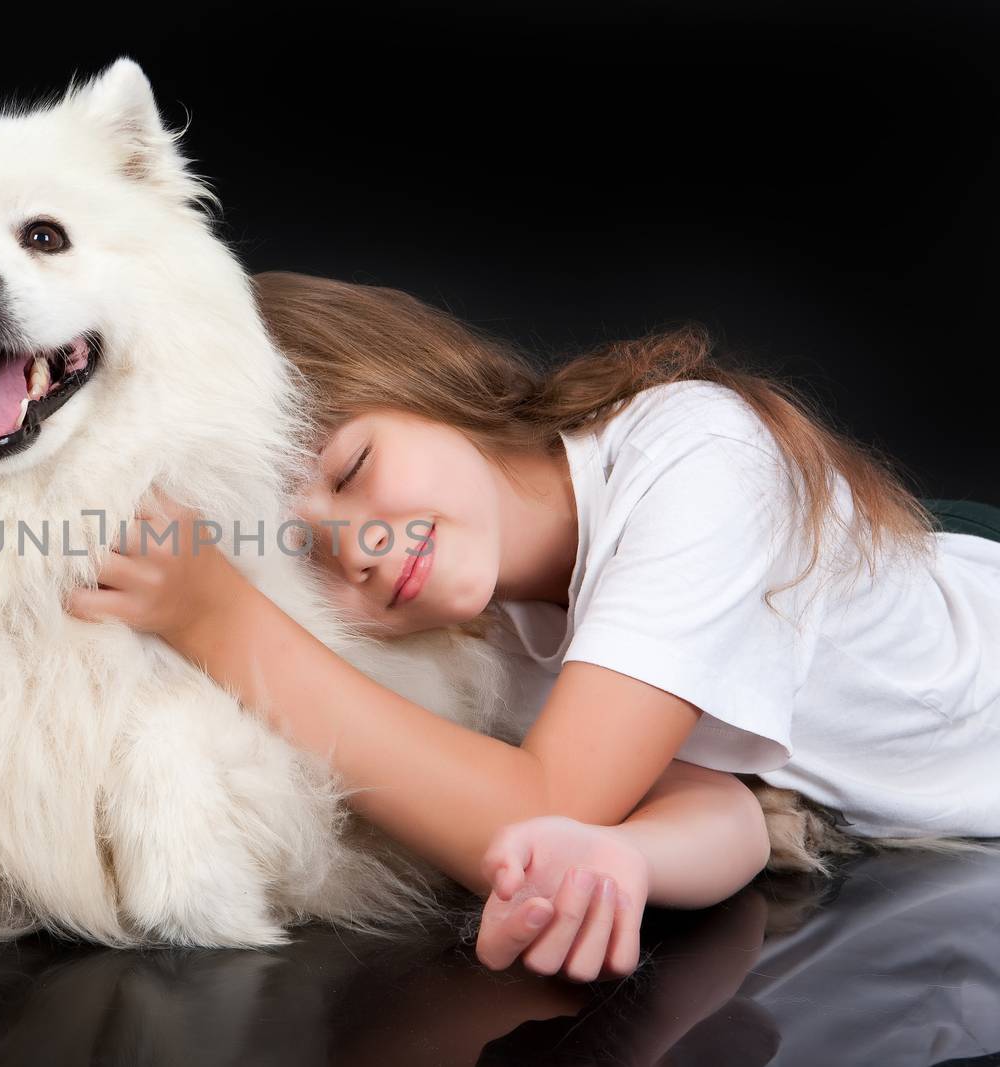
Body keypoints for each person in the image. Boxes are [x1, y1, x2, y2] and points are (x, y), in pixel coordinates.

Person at [65, 271, 1000, 982]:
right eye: (304, 555)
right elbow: (726, 809)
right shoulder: (490, 646)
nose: (359, 547)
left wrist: (219, 619)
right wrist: (616, 859)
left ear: (421, 385)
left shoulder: (697, 456)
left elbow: (545, 797)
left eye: (352, 469)